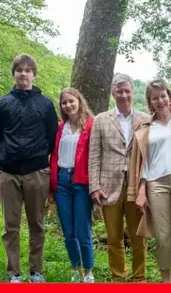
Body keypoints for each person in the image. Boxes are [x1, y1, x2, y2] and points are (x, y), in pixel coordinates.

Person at [0, 53, 58, 283]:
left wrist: (38, 156)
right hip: (8, 172)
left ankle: (36, 271)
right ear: (14, 74)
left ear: (34, 74)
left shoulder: (46, 104)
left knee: (36, 225)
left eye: (27, 70)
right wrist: (10, 154)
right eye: (19, 69)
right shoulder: (3, 104)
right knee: (11, 226)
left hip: (37, 172)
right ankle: (14, 273)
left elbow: (52, 137)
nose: (23, 73)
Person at [129, 78, 171, 283]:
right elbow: (143, 162)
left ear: (169, 97)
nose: (160, 101)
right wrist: (141, 190)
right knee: (162, 236)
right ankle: (166, 281)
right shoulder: (146, 126)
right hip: (155, 183)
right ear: (150, 102)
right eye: (154, 98)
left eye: (163, 96)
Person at [88, 73, 150, 282]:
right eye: (119, 91)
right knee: (114, 237)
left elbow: (150, 154)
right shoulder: (101, 119)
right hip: (109, 186)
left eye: (127, 91)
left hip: (135, 186)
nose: (123, 95)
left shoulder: (144, 119)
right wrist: (94, 187)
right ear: (113, 93)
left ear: (132, 92)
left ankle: (139, 277)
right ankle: (118, 276)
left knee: (138, 235)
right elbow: (94, 155)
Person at [49, 88, 95, 283]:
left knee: (83, 231)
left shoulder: (91, 125)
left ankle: (88, 272)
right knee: (68, 233)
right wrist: (51, 184)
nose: (67, 105)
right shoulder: (60, 127)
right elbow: (53, 155)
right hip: (62, 182)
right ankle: (76, 269)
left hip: (81, 183)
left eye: (71, 101)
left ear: (79, 100)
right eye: (64, 102)